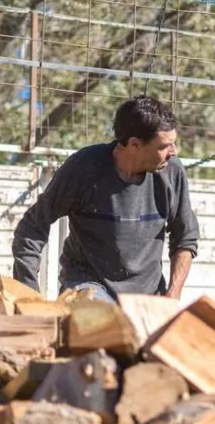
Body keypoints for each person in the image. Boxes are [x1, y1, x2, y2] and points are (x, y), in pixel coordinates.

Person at [12, 95, 200, 302]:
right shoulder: (84, 167)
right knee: (98, 316)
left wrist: (172, 295)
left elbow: (185, 237)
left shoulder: (172, 172)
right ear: (134, 144)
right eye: (164, 146)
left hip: (147, 296)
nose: (174, 152)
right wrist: (28, 293)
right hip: (90, 287)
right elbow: (32, 226)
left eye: (174, 143)